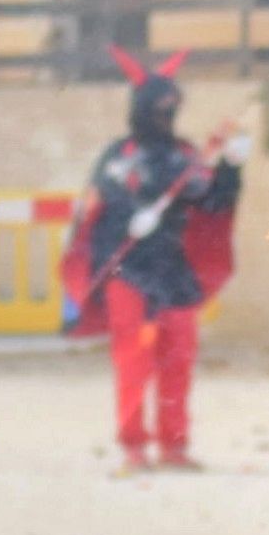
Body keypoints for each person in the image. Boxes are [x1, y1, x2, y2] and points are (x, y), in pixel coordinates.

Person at [62, 45, 243, 469]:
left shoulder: (185, 156)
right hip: (130, 271)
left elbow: (212, 203)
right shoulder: (117, 157)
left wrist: (233, 168)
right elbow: (97, 206)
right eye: (159, 109)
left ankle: (174, 445)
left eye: (171, 109)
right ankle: (133, 445)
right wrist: (131, 219)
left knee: (178, 361)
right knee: (133, 361)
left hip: (174, 270)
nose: (166, 118)